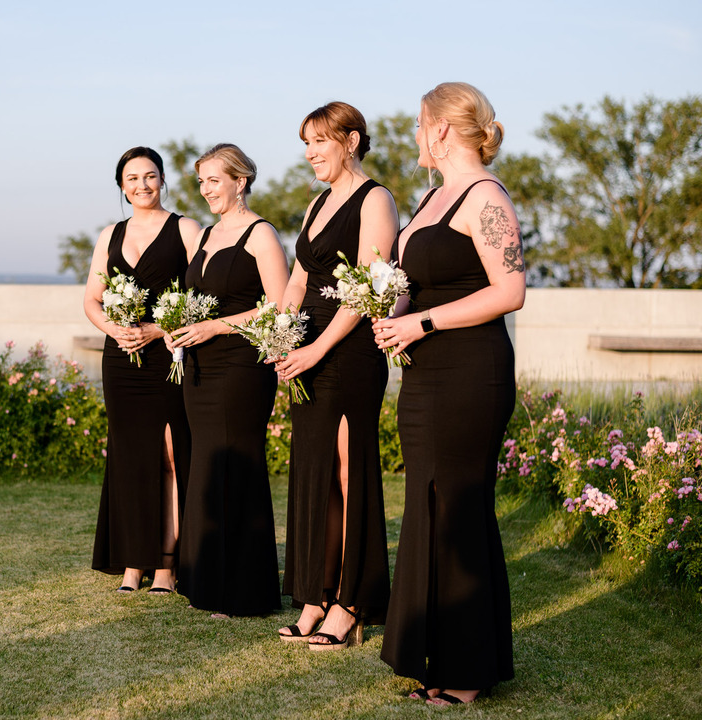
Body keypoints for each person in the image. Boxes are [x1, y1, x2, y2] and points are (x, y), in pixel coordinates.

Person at [373, 82, 525, 705]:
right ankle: (432, 656)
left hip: (471, 371)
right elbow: (419, 283)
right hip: (424, 375)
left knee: (459, 509)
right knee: (427, 505)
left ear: (440, 128)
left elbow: (509, 290)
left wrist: (424, 322)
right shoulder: (431, 200)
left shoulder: (485, 196)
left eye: (417, 124)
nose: (413, 135)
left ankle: (466, 671)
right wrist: (390, 311)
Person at [272, 103, 398, 648]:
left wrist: (317, 349)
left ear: (350, 140)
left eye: (318, 141)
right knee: (313, 475)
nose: (309, 153)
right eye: (305, 143)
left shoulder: (378, 200)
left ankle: (350, 605)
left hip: (348, 354)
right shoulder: (315, 204)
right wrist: (280, 338)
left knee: (348, 476)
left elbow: (369, 287)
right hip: (305, 351)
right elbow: (299, 280)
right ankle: (313, 597)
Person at [166, 143, 289, 617]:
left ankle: (243, 590)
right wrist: (176, 327)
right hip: (197, 367)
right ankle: (205, 580)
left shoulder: (261, 234)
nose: (205, 190)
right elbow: (193, 297)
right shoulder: (205, 236)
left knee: (236, 468)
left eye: (213, 180)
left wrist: (217, 326)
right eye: (200, 182)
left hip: (242, 367)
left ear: (240, 181)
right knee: (205, 468)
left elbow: (280, 307)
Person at [86, 146, 201, 594]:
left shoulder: (186, 229)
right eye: (132, 178)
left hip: (167, 357)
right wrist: (117, 330)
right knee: (130, 458)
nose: (142, 185)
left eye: (150, 176)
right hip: (121, 360)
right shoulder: (109, 235)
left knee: (171, 457)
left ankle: (168, 566)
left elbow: (201, 296)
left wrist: (156, 328)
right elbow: (90, 300)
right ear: (121, 186)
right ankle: (134, 563)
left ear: (163, 179)